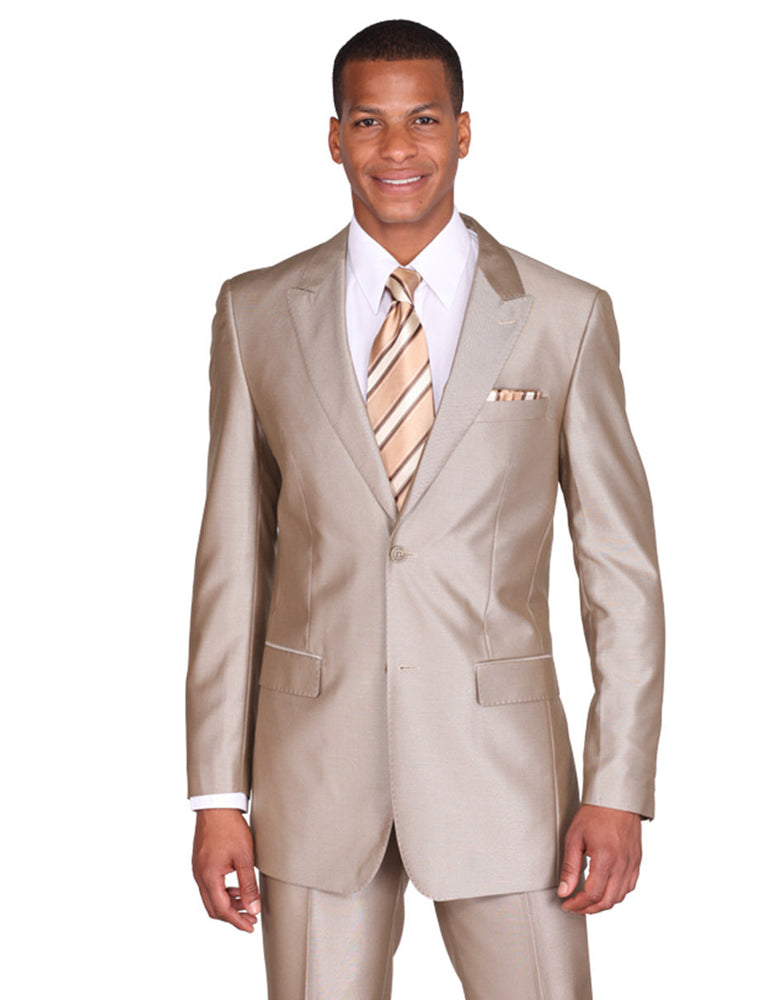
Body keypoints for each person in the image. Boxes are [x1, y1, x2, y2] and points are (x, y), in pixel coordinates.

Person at [185, 19, 665, 1000]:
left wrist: (619, 786)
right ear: (334, 138)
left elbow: (619, 572)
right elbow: (232, 563)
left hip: (508, 786)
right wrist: (216, 793)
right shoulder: (254, 312)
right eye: (369, 121)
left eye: (424, 120)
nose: (396, 148)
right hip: (312, 780)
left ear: (463, 132)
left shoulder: (564, 315)